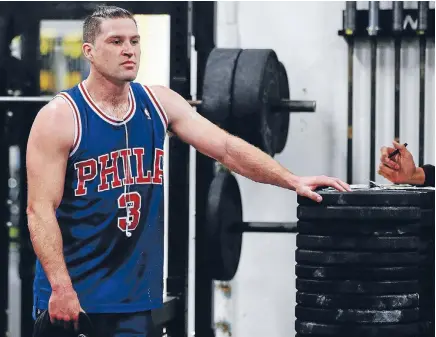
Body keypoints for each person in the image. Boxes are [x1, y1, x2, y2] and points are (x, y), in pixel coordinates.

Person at [26, 5, 351, 337]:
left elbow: (225, 147)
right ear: (89, 52)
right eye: (116, 41)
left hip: (136, 303)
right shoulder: (60, 118)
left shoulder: (158, 103)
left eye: (135, 41)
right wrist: (61, 287)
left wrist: (291, 179)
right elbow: (39, 210)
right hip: (75, 302)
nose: (129, 50)